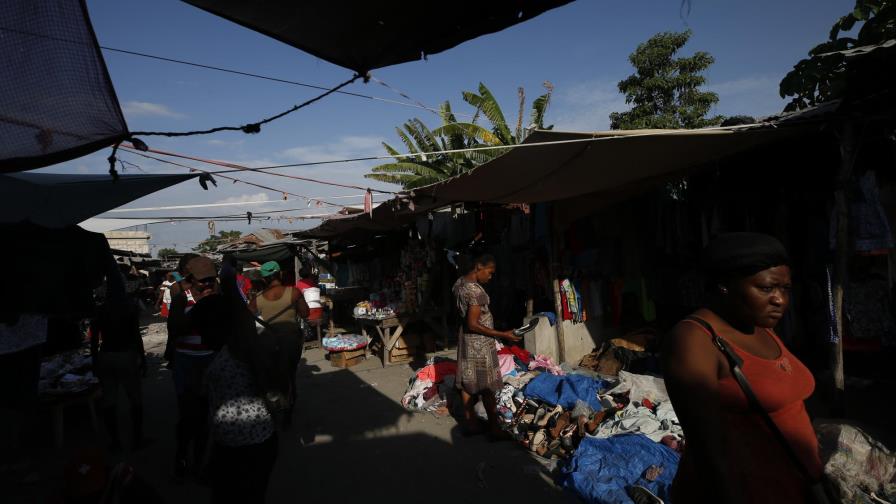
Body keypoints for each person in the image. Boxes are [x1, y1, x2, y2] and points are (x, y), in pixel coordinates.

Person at [662, 233, 822, 503]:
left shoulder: (759, 328)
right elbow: (708, 451)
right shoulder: (694, 340)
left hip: (795, 486)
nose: (780, 300)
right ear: (724, 285)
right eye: (767, 288)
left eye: (785, 289)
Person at [453, 254, 521, 438]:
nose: (490, 277)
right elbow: (473, 324)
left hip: (466, 341)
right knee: (487, 387)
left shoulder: (459, 284)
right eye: (489, 272)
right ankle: (495, 429)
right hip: (480, 345)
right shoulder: (477, 292)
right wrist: (504, 334)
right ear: (478, 267)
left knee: (467, 383)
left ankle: (472, 425)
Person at [167, 255, 218, 480]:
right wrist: (202, 308)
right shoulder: (180, 298)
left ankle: (199, 464)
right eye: (202, 280)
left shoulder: (216, 294)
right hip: (185, 361)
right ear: (190, 279)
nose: (207, 284)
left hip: (209, 359)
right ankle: (181, 458)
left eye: (211, 279)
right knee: (187, 416)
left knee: (205, 416)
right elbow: (175, 329)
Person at [89, 277, 146, 452]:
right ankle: (137, 439)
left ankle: (115, 442)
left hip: (106, 355)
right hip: (126, 356)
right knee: (135, 399)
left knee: (109, 400)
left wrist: (95, 361)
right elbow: (136, 336)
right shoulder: (129, 309)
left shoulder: (100, 310)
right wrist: (143, 359)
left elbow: (93, 340)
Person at [249, 261, 309, 421]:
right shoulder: (294, 292)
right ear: (280, 274)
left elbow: (247, 317)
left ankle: (276, 405)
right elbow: (305, 313)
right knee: (289, 373)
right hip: (291, 340)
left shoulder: (257, 298)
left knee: (274, 373)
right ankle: (290, 404)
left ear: (264, 279)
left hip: (269, 342)